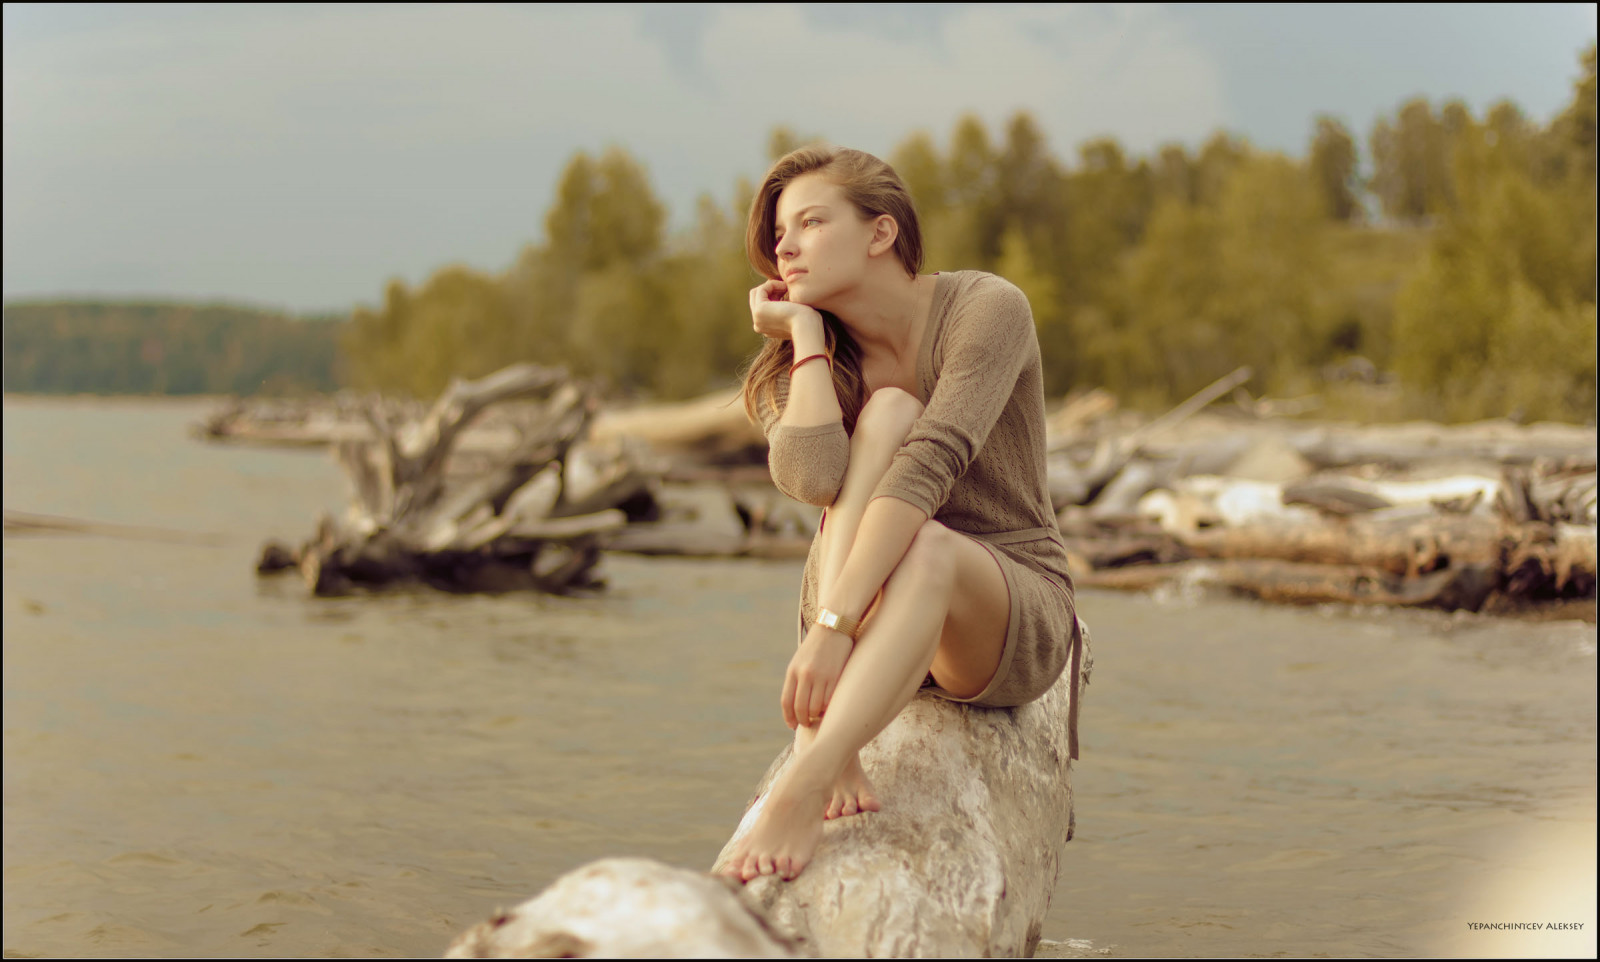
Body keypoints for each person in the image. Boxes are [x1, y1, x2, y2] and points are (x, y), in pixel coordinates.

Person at [721, 145, 1083, 883]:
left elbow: (930, 470)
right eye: (780, 232)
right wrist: (809, 341)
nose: (784, 247)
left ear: (880, 233)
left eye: (811, 222)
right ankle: (834, 731)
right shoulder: (835, 353)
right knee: (885, 411)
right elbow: (813, 478)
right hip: (874, 617)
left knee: (930, 544)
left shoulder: (986, 309)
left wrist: (832, 629)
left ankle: (810, 772)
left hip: (1001, 610)